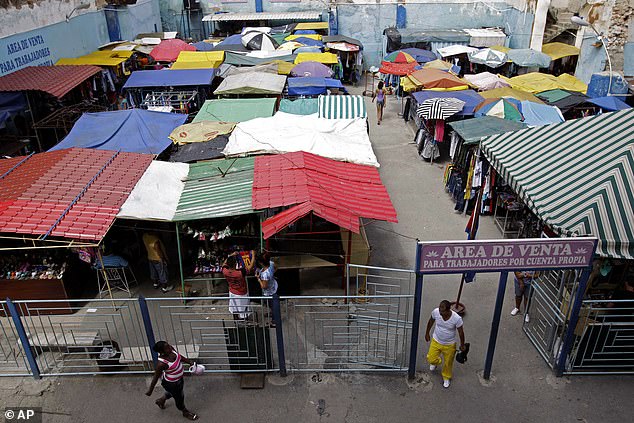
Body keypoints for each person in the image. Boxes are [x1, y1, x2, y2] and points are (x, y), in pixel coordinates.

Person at [145, 341, 199, 420]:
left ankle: (161, 400)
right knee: (179, 398)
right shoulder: (161, 364)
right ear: (161, 352)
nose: (170, 348)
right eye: (167, 348)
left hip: (179, 379)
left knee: (175, 393)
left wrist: (189, 362)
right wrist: (150, 390)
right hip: (171, 384)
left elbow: (179, 356)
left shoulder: (171, 350)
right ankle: (185, 412)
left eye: (169, 345)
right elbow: (155, 377)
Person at [425, 300, 466, 388]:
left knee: (448, 363)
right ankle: (436, 362)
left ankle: (446, 377)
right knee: (431, 359)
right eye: (440, 311)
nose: (440, 313)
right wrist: (427, 333)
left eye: (443, 312)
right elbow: (431, 321)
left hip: (449, 345)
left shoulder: (457, 319)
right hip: (436, 340)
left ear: (448, 310)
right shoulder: (436, 312)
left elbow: (461, 332)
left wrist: (462, 345)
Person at [222, 252, 250, 320]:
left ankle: (236, 322)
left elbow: (224, 263)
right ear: (235, 264)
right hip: (241, 293)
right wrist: (254, 256)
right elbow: (250, 267)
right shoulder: (240, 273)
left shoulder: (225, 271)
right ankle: (244, 324)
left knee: (234, 308)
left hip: (232, 292)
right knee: (244, 310)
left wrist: (231, 255)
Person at [256, 254, 278, 327]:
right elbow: (276, 267)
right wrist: (271, 275)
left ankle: (274, 320)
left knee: (272, 305)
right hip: (274, 287)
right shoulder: (271, 263)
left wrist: (258, 279)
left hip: (269, 292)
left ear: (261, 263)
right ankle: (273, 313)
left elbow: (264, 286)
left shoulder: (265, 274)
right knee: (272, 304)